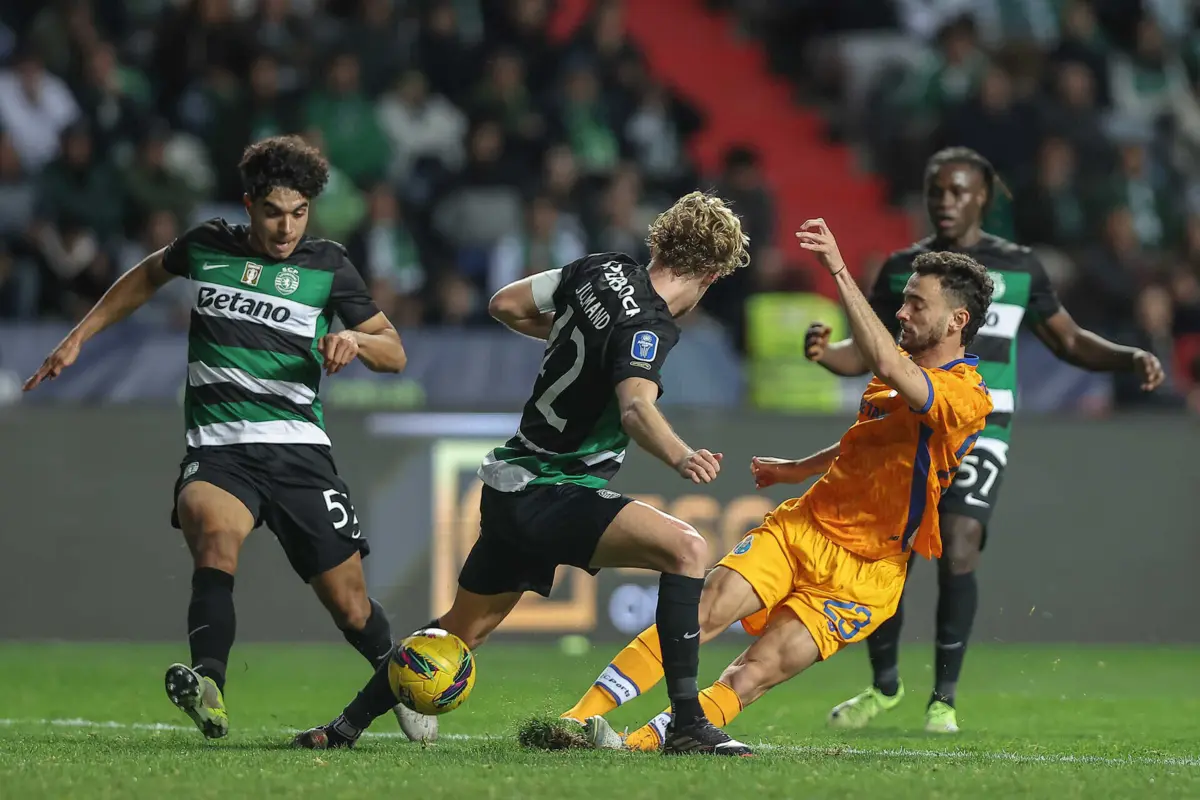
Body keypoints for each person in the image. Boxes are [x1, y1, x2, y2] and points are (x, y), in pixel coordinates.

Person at [292, 191, 754, 756]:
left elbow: (505, 304)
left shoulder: (600, 268)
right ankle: (688, 723)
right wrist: (681, 454)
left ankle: (341, 729)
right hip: (555, 491)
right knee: (687, 550)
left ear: (662, 241)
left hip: (510, 485)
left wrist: (570, 337)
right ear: (710, 274)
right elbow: (636, 409)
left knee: (460, 633)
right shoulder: (648, 329)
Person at [23, 135, 412, 740]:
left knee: (350, 605)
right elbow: (147, 275)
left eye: (299, 213)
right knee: (212, 534)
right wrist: (81, 334)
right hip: (220, 448)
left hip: (299, 453)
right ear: (249, 204)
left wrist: (356, 341)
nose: (287, 228)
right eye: (275, 212)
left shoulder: (328, 266)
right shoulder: (207, 246)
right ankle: (210, 685)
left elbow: (395, 353)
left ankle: (399, 684)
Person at [560, 219, 995, 752]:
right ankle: (576, 721)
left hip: (865, 576)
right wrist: (797, 469)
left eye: (916, 305)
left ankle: (634, 748)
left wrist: (836, 267)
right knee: (705, 608)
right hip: (803, 527)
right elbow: (868, 443)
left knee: (755, 672)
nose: (902, 312)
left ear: (958, 321)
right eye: (903, 300)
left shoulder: (966, 399)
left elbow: (882, 358)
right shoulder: (898, 372)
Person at [808, 148, 1164, 733]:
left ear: (984, 196)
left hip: (981, 427)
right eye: (936, 191)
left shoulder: (1020, 267)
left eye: (958, 191)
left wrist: (1130, 356)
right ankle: (884, 685)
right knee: (889, 550)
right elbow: (868, 348)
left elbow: (1068, 341)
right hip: (906, 431)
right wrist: (830, 355)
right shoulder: (905, 266)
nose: (946, 201)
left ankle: (943, 698)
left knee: (960, 540)